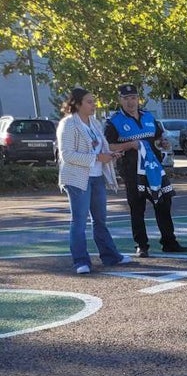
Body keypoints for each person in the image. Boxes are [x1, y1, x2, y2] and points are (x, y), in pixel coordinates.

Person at [104, 83, 187, 258]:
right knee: (137, 207)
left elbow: (159, 138)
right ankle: (141, 245)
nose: (130, 102)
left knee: (164, 203)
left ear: (138, 98)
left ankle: (169, 242)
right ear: (120, 100)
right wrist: (130, 145)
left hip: (154, 169)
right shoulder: (114, 122)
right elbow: (109, 146)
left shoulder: (149, 117)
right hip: (132, 171)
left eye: (133, 98)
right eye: (126, 98)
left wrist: (163, 143)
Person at [56, 87, 132, 273]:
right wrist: (97, 158)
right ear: (77, 104)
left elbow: (100, 147)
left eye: (94, 101)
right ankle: (81, 261)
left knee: (100, 220)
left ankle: (110, 256)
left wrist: (109, 154)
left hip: (97, 176)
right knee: (79, 220)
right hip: (77, 178)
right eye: (89, 101)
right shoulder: (68, 124)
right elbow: (67, 155)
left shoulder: (94, 122)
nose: (94, 105)